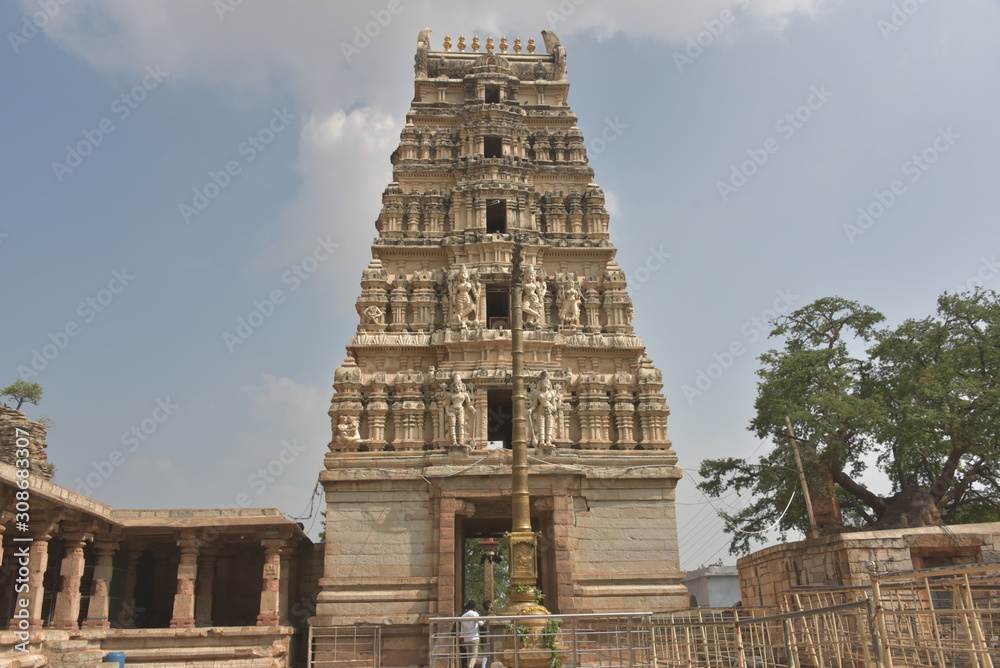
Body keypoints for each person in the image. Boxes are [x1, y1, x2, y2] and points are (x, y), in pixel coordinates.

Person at [459, 599, 484, 668]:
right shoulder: (474, 614)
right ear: (474, 607)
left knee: (469, 655)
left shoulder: (463, 616)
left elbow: (462, 629)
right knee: (474, 654)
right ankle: (470, 666)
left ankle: (468, 665)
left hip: (467, 638)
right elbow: (481, 623)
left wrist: (462, 638)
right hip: (474, 637)